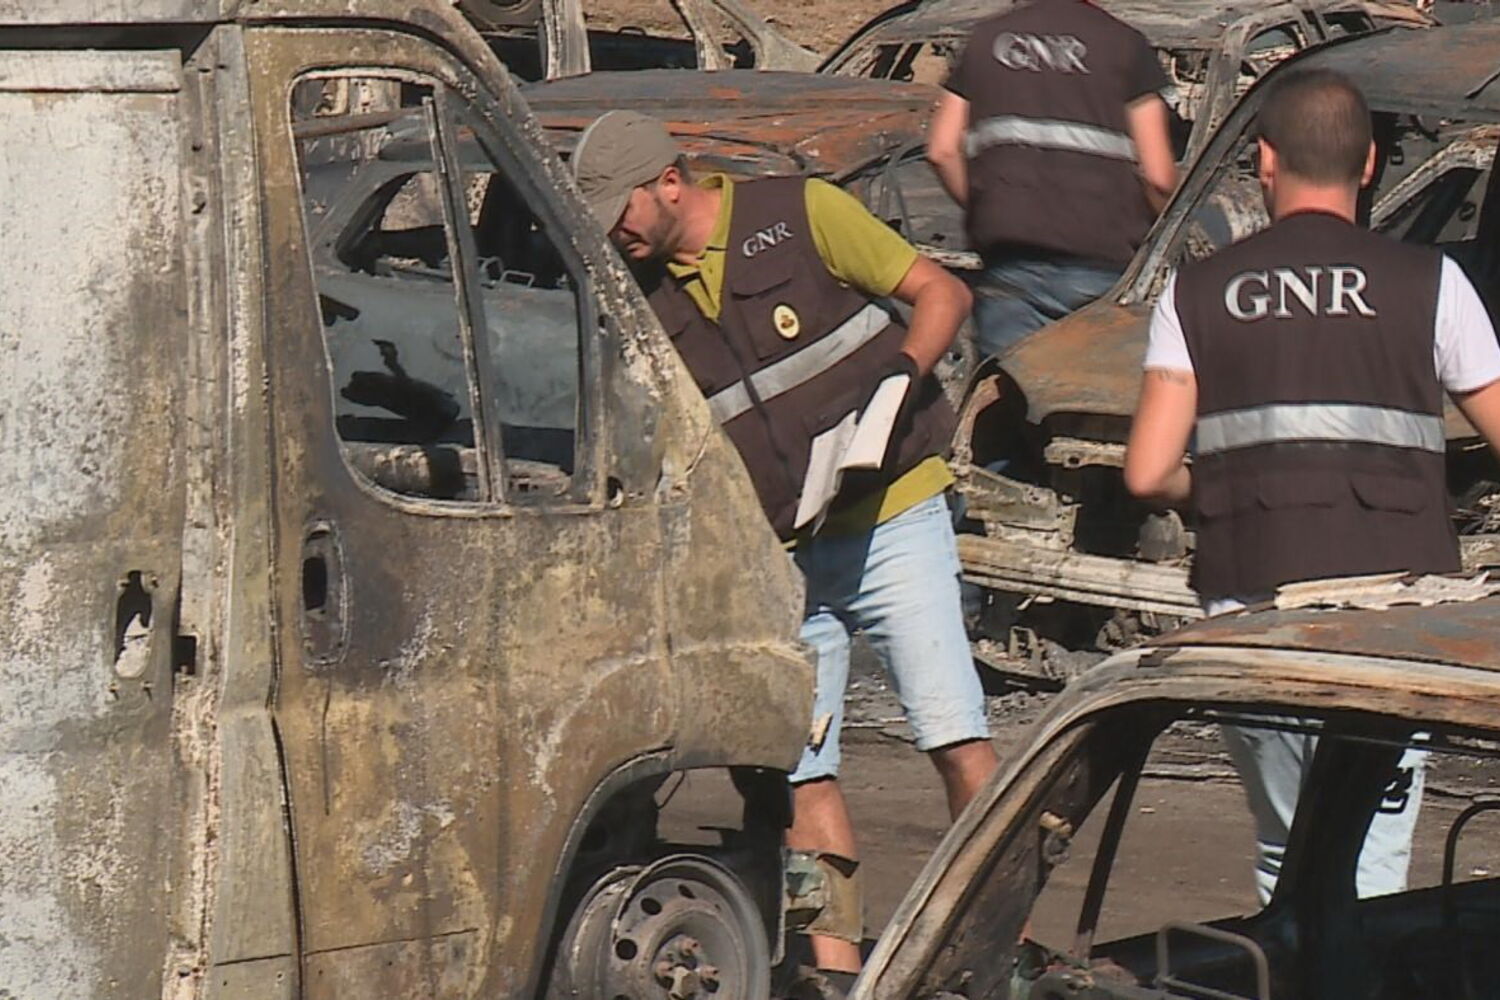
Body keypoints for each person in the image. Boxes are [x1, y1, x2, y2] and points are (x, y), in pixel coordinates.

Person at [570, 111, 999, 988]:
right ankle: (837, 974)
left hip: (893, 519)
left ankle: (996, 943)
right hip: (779, 559)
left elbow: (943, 296)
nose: (617, 233)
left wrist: (900, 378)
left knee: (956, 738)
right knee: (800, 773)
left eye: (622, 210)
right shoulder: (639, 300)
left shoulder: (801, 214)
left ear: (669, 182)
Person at [1123, 68, 1500, 903]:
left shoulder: (1195, 293)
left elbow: (1146, 471)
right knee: (1371, 858)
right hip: (1391, 616)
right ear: (1368, 165)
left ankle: (1288, 957)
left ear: (1264, 161)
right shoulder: (1432, 283)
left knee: (1282, 850)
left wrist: (1221, 485)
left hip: (1249, 606)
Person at [926, 0, 1178, 358]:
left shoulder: (984, 39)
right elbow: (1159, 178)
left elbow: (941, 149)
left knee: (1007, 386)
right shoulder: (1124, 43)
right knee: (1091, 388)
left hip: (1011, 262)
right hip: (1102, 264)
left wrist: (986, 204)